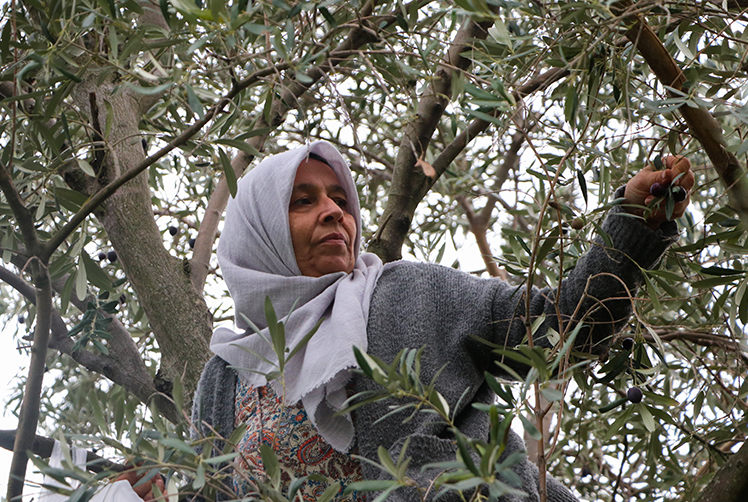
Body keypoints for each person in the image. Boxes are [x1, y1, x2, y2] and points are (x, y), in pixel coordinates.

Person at [189, 140, 694, 502]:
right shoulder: (226, 377)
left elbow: (560, 327)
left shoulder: (406, 291)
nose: (333, 213)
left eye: (340, 201)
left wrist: (632, 222)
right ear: (260, 233)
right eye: (304, 201)